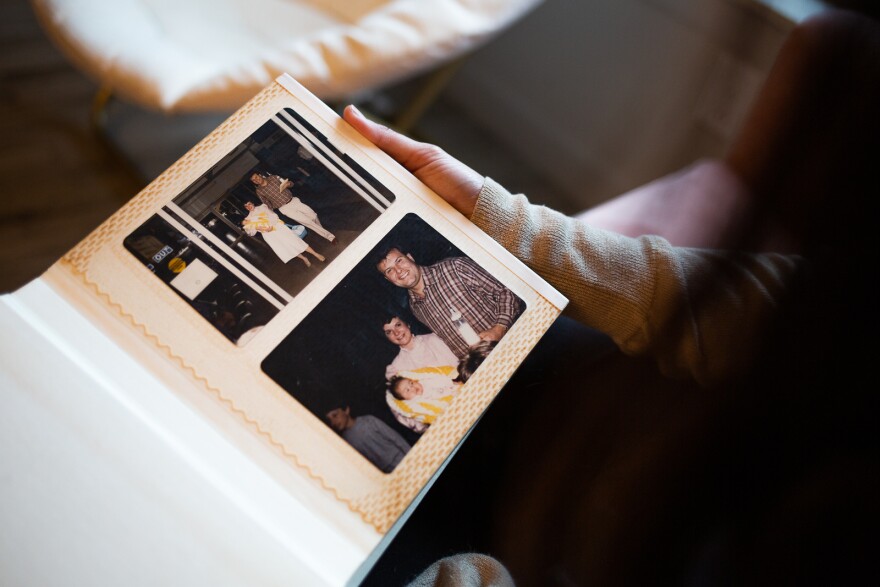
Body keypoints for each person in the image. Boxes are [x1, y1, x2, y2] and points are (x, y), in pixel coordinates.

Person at [376, 246, 523, 361]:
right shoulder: (415, 307)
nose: (399, 270)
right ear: (388, 279)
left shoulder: (454, 268)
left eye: (399, 261)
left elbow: (506, 291)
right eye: (389, 270)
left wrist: (499, 329)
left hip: (514, 345)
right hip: (484, 367)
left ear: (410, 257)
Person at [249, 171, 336, 242]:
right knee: (307, 222)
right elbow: (266, 204)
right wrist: (270, 214)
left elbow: (291, 183)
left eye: (256, 177)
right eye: (253, 180)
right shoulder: (259, 191)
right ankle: (330, 237)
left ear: (260, 175)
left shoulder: (274, 177)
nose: (256, 180)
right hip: (284, 209)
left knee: (313, 215)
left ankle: (322, 231)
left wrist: (288, 184)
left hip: (294, 201)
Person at [325, 406, 411, 474]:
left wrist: (411, 455)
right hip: (386, 472)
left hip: (401, 459)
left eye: (335, 415)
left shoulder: (368, 421)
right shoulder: (344, 441)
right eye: (330, 420)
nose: (333, 422)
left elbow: (395, 437)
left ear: (346, 410)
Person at [241, 201, 325, 266]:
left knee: (295, 241)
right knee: (286, 247)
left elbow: (274, 216)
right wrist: (256, 227)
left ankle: (315, 254)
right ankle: (304, 258)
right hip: (268, 235)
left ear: (252, 203)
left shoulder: (262, 207)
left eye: (249, 204)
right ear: (245, 208)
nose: (248, 206)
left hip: (277, 227)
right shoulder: (248, 218)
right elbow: (250, 232)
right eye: (246, 206)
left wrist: (270, 226)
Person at [381, 314, 459, 380]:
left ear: (407, 325)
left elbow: (457, 366)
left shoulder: (433, 339)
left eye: (398, 325)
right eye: (389, 332)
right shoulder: (396, 368)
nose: (396, 333)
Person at [386, 371, 462, 433]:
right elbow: (432, 411)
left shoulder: (426, 381)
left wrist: (451, 383)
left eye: (411, 383)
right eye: (407, 390)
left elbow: (443, 378)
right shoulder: (417, 403)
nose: (412, 388)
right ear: (405, 399)